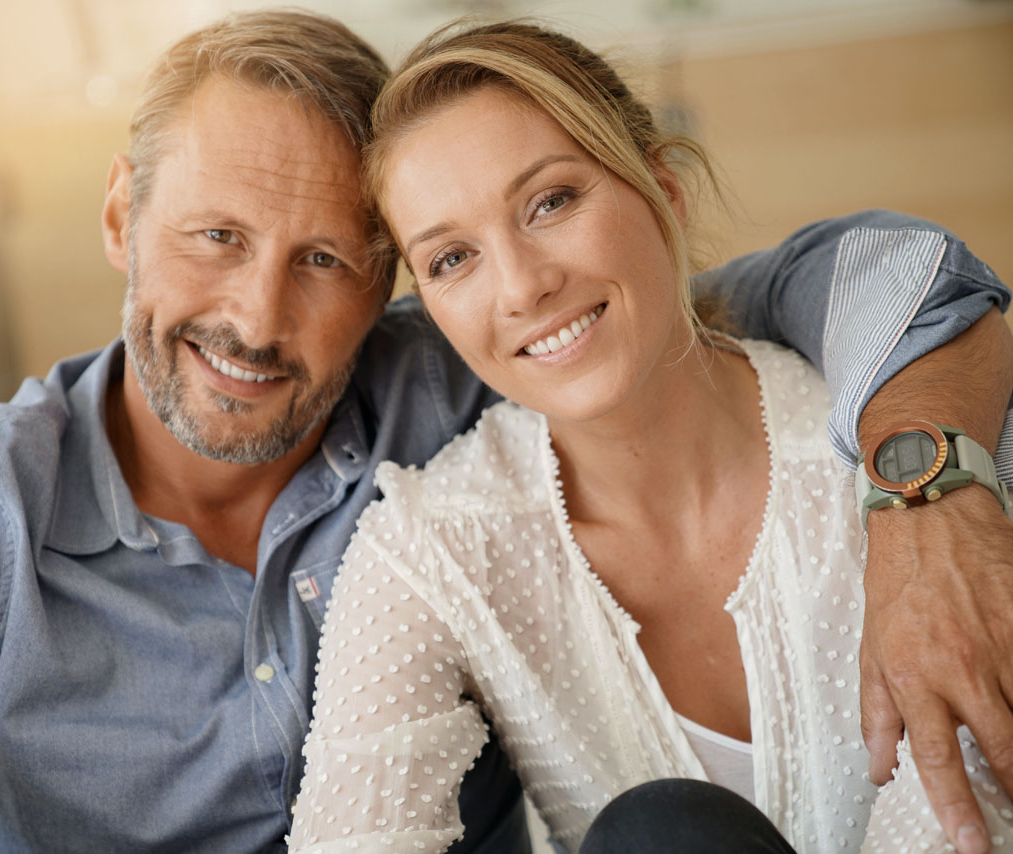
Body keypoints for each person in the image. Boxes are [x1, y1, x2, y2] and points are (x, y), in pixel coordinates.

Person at [0, 8, 1010, 854]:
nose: (255, 317)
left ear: (389, 281)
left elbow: (875, 279)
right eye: (214, 235)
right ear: (122, 217)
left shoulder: (468, 364)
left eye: (324, 259)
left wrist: (929, 487)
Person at [287, 19, 1013, 854]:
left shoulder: (899, 458)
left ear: (663, 191)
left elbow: (969, 820)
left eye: (551, 202)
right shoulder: (431, 547)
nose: (522, 287)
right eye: (452, 259)